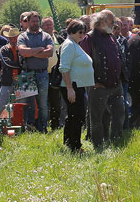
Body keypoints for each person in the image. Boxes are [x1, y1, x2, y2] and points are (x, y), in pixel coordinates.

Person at [80, 10, 125, 146]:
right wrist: (92, 82)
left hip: (115, 85)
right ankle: (97, 143)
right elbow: (83, 62)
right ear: (101, 22)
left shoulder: (110, 36)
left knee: (119, 113)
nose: (114, 25)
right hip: (98, 85)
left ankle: (116, 140)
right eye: (112, 22)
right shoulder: (89, 38)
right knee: (97, 118)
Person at [58, 19, 93, 152]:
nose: (82, 34)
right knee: (77, 116)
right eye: (79, 31)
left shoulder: (74, 44)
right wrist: (69, 89)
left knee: (74, 115)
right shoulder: (69, 45)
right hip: (72, 86)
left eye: (84, 32)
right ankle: (75, 146)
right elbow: (64, 68)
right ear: (71, 31)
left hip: (76, 86)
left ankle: (69, 142)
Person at [17, 11, 54, 133]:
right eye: (33, 21)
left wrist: (31, 52)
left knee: (42, 103)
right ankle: (29, 127)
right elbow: (23, 52)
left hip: (42, 73)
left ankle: (43, 127)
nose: (35, 23)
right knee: (27, 103)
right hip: (26, 74)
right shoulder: (22, 37)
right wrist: (39, 50)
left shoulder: (46, 36)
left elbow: (49, 53)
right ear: (28, 22)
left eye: (37, 21)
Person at [42, 16, 64, 130]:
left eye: (50, 24)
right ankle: (43, 125)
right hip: (43, 74)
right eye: (46, 25)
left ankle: (55, 124)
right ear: (42, 27)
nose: (48, 26)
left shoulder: (59, 39)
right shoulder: (39, 39)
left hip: (56, 74)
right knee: (43, 101)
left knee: (56, 100)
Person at [0, 25, 22, 113]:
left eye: (15, 38)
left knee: (21, 105)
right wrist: (20, 65)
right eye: (11, 38)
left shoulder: (22, 49)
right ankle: (0, 124)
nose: (13, 40)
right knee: (2, 104)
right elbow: (7, 63)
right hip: (7, 80)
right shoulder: (4, 49)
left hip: (21, 80)